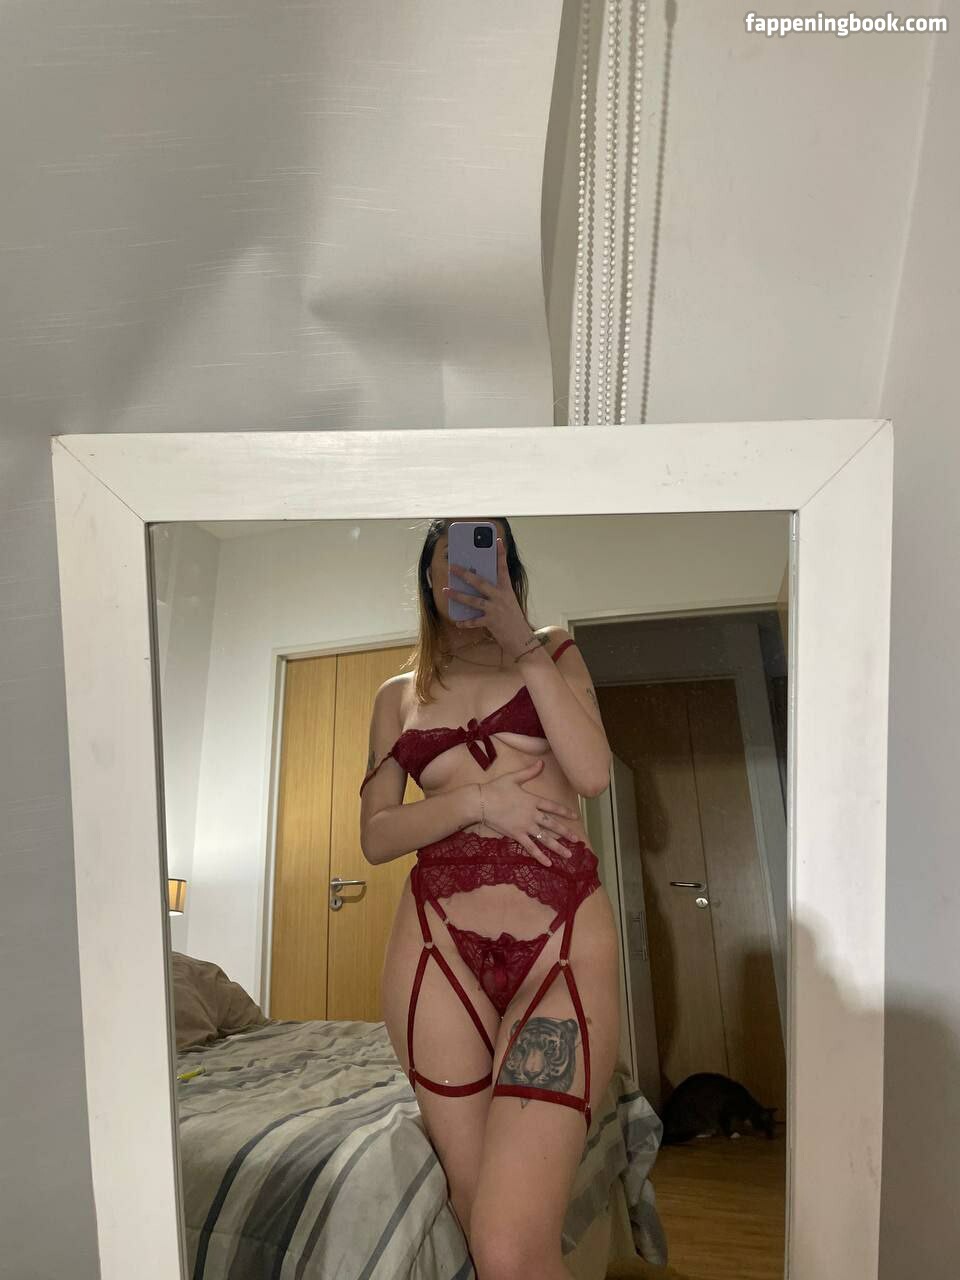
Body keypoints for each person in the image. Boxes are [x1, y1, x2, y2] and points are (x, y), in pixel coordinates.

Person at [359, 517, 620, 1280]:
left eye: (487, 555)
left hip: (560, 947)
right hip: (435, 953)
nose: (468, 573)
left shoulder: (554, 649)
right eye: (452, 559)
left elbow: (592, 773)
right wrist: (480, 803)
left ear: (510, 569)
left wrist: (522, 643)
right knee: (484, 1229)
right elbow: (376, 835)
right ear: (428, 576)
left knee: (509, 1245)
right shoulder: (397, 694)